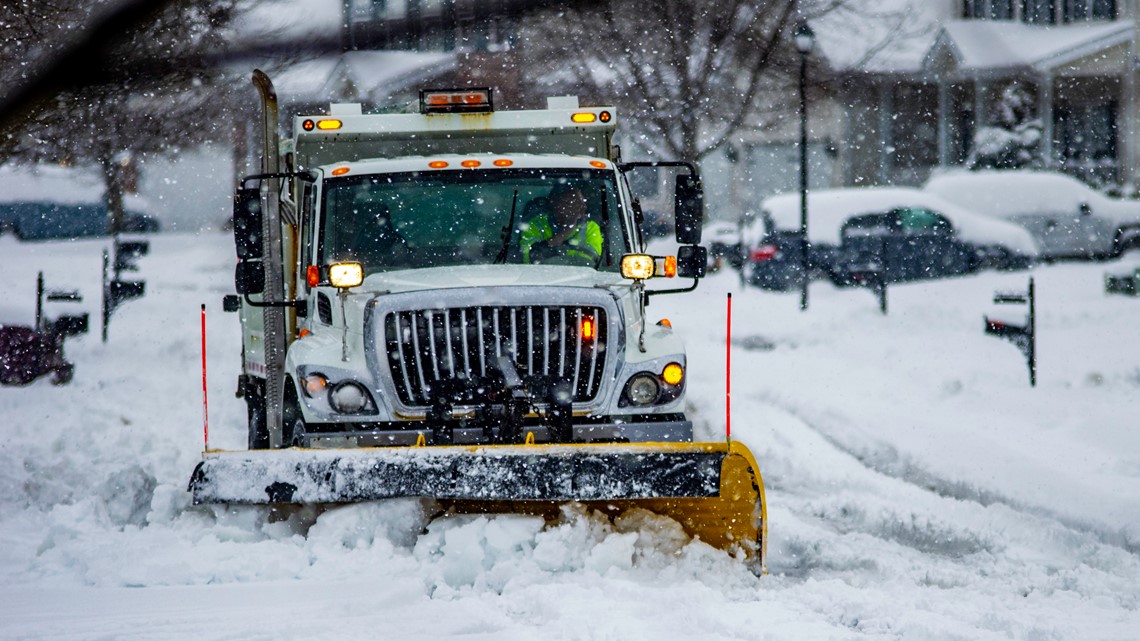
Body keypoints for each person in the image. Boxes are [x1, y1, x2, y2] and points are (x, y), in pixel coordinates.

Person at [519, 186, 603, 266]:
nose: (584, 207)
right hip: (537, 274)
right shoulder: (535, 224)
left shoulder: (590, 227)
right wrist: (564, 233)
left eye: (582, 203)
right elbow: (528, 257)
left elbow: (591, 262)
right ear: (557, 205)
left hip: (579, 275)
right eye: (576, 204)